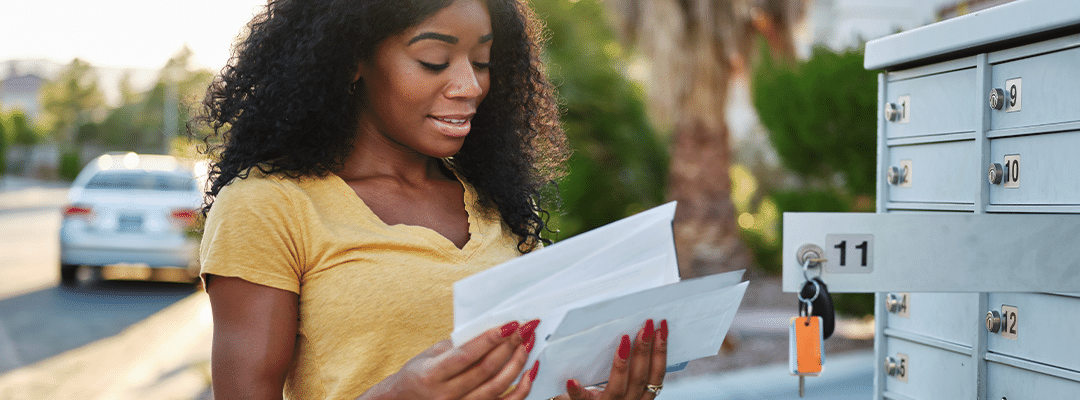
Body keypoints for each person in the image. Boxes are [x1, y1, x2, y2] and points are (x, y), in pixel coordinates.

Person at [196, 0, 669, 399]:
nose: (470, 87)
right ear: (350, 61)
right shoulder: (268, 206)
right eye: (434, 61)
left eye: (482, 62)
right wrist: (399, 394)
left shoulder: (491, 196)